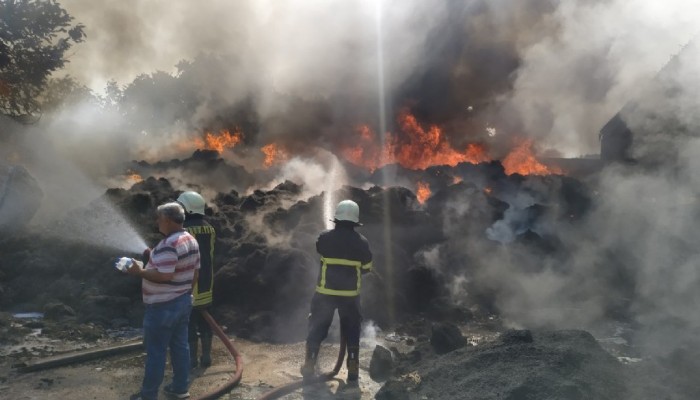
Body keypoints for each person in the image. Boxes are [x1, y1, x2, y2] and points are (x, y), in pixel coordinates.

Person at [127, 202, 200, 400]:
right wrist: (188, 294)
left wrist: (139, 271)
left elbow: (164, 276)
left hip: (163, 308)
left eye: (159, 218)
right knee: (180, 347)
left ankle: (148, 395)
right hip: (183, 302)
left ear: (167, 220)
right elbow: (194, 271)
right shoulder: (190, 240)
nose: (157, 222)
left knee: (156, 352)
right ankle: (180, 388)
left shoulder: (169, 244)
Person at [300, 199, 373, 383]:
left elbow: (319, 249)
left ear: (337, 219)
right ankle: (353, 368)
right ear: (355, 222)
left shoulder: (324, 238)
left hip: (326, 293)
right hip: (350, 296)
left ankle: (309, 363)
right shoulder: (362, 243)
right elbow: (367, 268)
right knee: (352, 330)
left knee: (318, 325)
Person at [177, 191, 217, 369]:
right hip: (207, 281)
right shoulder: (210, 228)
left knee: (189, 322)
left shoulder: (183, 231)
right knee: (205, 319)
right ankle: (206, 356)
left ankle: (191, 359)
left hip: (188, 282)